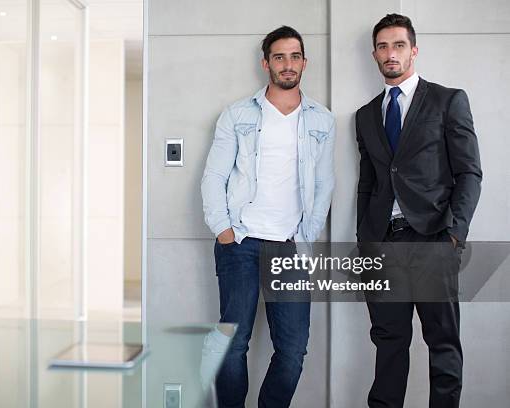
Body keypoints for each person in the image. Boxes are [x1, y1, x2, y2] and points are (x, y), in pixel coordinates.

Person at [201, 25, 335, 408]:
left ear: (304, 62)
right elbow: (214, 176)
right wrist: (223, 230)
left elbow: (324, 184)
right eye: (279, 56)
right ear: (266, 63)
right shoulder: (237, 114)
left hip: (290, 248)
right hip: (240, 242)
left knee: (292, 351)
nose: (288, 64)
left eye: (295, 56)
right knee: (232, 344)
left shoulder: (322, 120)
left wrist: (307, 239)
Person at [355, 14, 482, 408]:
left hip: (433, 240)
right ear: (374, 54)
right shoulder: (366, 115)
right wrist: (365, 241)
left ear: (413, 50)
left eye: (397, 45)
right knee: (389, 344)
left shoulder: (448, 100)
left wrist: (453, 235)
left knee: (442, 343)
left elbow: (469, 173)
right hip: (384, 245)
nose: (390, 54)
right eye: (382, 46)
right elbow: (369, 183)